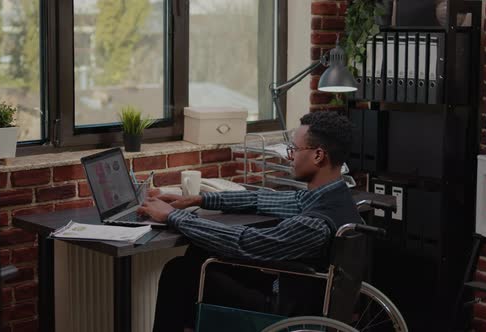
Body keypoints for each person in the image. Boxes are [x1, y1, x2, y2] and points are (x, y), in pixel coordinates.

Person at [138, 111, 362, 332]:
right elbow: (260, 199)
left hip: (284, 306)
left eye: (294, 149)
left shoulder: (313, 225)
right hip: (298, 289)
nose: (289, 156)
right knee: (198, 255)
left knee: (178, 272)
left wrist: (171, 216)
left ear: (318, 156)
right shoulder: (334, 197)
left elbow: (244, 242)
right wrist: (198, 199)